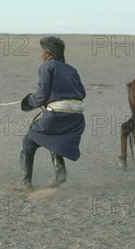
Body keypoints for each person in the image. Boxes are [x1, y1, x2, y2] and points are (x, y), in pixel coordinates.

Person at [15, 36, 86, 191]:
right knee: (54, 137)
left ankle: (25, 182)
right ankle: (60, 172)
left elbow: (41, 96)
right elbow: (82, 92)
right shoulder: (71, 69)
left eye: (42, 52)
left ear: (47, 53)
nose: (41, 55)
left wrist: (28, 102)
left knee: (28, 141)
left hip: (57, 115)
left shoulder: (47, 66)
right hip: (77, 118)